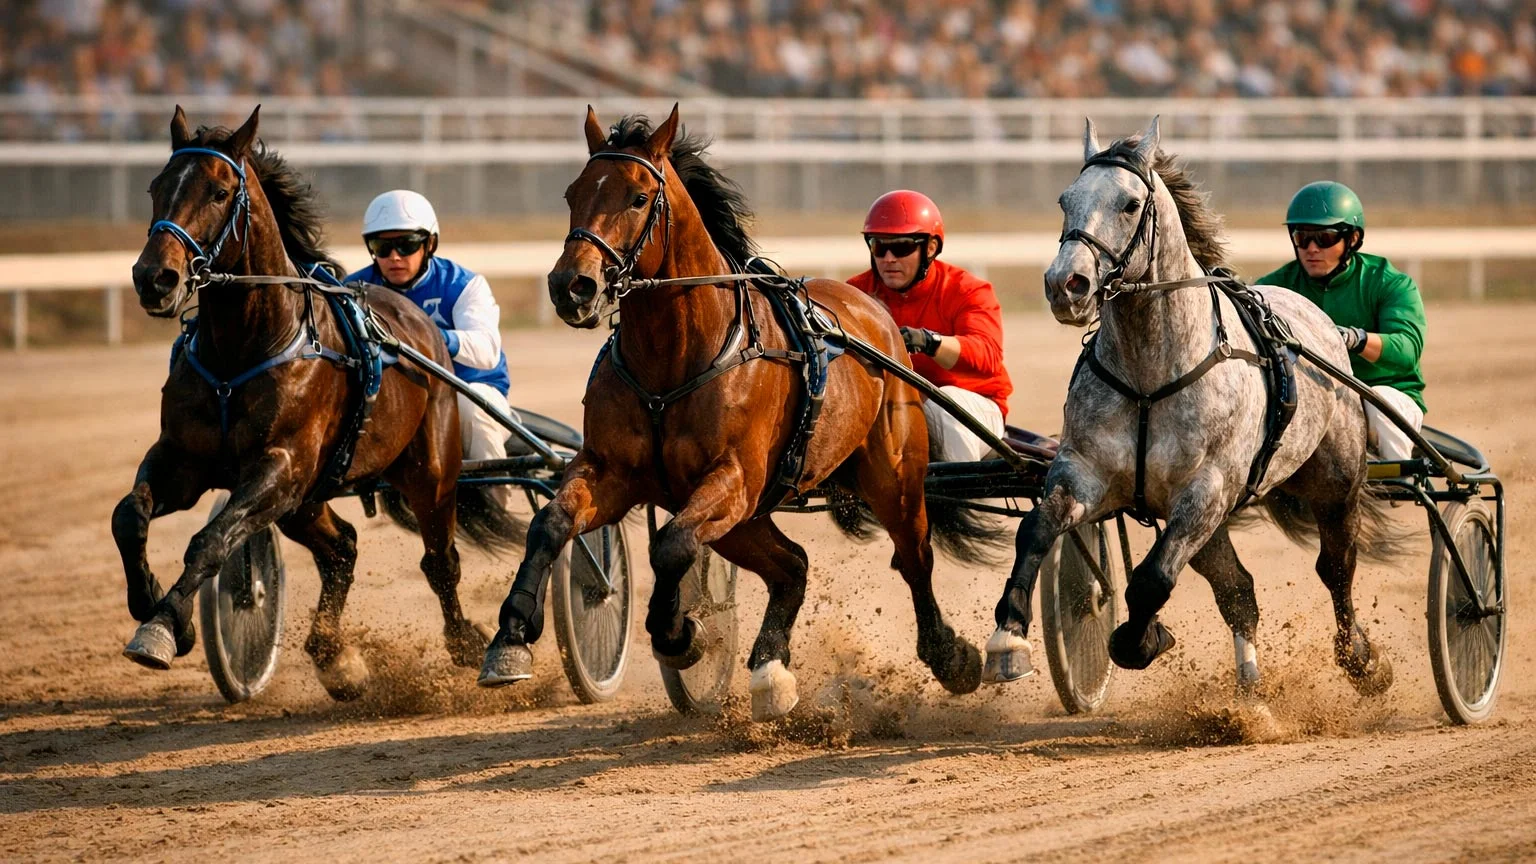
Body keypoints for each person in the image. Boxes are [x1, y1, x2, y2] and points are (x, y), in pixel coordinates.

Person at [346, 190, 514, 504]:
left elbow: (486, 350)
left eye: (407, 245)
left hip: (468, 391)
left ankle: (495, 510)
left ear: (429, 244)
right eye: (382, 247)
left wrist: (427, 338)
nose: (394, 257)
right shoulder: (354, 291)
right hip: (391, 404)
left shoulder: (463, 285)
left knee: (473, 413)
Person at [1256, 181, 1427, 460]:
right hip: (1313, 396)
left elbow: (1406, 350)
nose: (1311, 248)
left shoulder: (1390, 284)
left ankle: (1396, 478)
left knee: (1378, 405)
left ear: (1353, 239)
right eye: (1302, 237)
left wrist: (1354, 339)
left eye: (1324, 238)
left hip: (1382, 394)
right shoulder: (1276, 287)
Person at [847, 190, 1012, 462]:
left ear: (931, 247)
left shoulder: (967, 290)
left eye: (901, 247)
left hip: (973, 410)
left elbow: (988, 357)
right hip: (893, 409)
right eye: (879, 246)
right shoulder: (856, 294)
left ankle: (967, 503)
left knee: (944, 404)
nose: (888, 258)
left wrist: (928, 342)